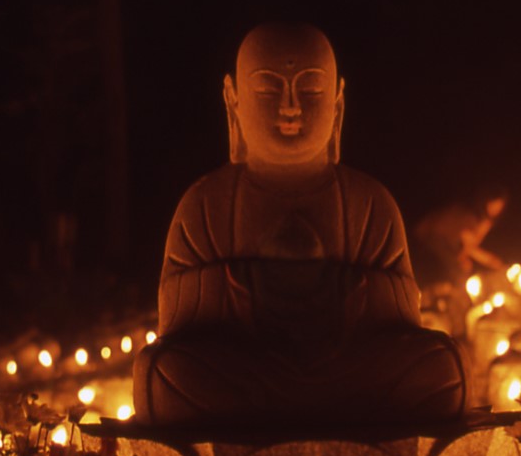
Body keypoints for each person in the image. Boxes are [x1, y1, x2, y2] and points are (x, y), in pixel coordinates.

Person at [133, 23, 466, 426]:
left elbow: (402, 312)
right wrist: (252, 284)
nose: (290, 107)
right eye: (268, 90)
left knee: (440, 368)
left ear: (338, 103)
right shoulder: (205, 203)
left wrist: (338, 291)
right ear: (233, 101)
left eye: (309, 91)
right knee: (162, 372)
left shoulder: (370, 202)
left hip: (350, 369)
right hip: (247, 367)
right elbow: (176, 317)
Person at [412, 186, 508, 284]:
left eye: (500, 205)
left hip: (444, 243)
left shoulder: (487, 221)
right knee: (460, 271)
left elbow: (467, 248)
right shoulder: (470, 216)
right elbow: (468, 247)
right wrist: (490, 261)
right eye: (494, 203)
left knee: (464, 267)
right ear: (487, 201)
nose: (496, 208)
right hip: (430, 237)